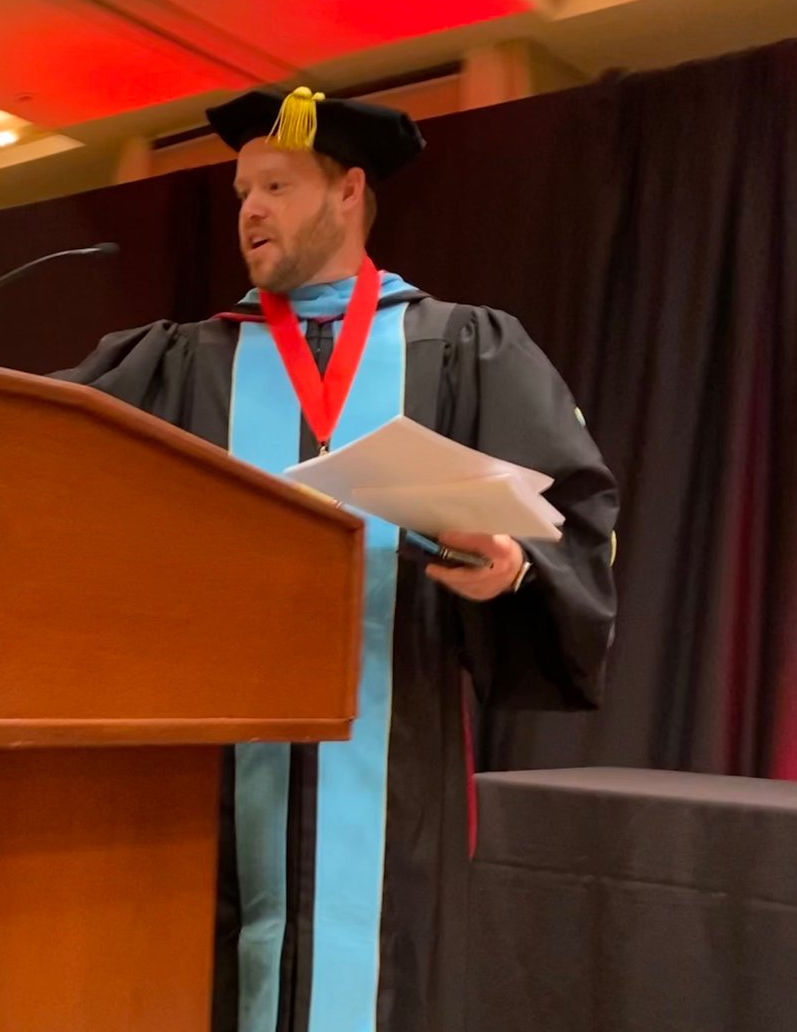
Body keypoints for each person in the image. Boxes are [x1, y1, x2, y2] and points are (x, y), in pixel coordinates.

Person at [56, 85, 619, 1032]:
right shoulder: (184, 363)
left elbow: (572, 513)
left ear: (350, 192)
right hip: (218, 767)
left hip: (393, 745)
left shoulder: (463, 347)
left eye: (276, 186)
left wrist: (514, 565)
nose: (251, 211)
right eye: (242, 193)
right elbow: (44, 468)